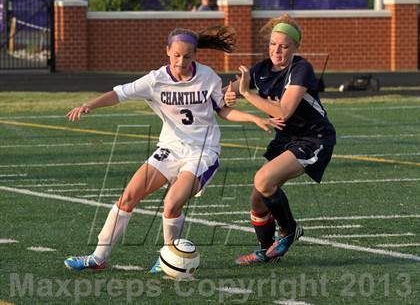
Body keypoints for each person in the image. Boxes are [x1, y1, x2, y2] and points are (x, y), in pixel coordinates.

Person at [63, 26, 282, 273]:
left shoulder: (207, 76)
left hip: (202, 152)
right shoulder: (155, 80)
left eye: (188, 56)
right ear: (167, 51)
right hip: (170, 148)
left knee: (171, 203)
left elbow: (223, 110)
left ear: (195, 55)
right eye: (176, 55)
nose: (181, 61)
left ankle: (168, 258)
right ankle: (98, 257)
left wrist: (253, 118)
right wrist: (89, 105)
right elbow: (118, 94)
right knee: (127, 198)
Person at [224, 14, 336, 265]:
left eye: (284, 46)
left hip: (313, 138)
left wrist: (245, 93)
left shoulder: (301, 68)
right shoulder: (262, 69)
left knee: (263, 180)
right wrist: (227, 96)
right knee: (257, 198)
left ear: (295, 48)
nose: (277, 50)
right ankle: (268, 250)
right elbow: (225, 93)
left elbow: (283, 111)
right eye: (273, 44)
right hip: (285, 138)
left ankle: (289, 230)